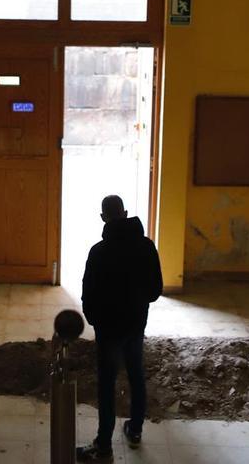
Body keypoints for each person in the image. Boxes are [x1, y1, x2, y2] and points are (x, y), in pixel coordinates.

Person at [76, 195, 164, 461]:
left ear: (103, 218)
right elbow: (155, 290)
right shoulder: (147, 247)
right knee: (136, 375)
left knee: (107, 384)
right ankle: (135, 430)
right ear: (125, 213)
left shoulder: (99, 252)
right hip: (136, 323)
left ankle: (104, 446)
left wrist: (95, 320)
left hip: (108, 329)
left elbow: (88, 295)